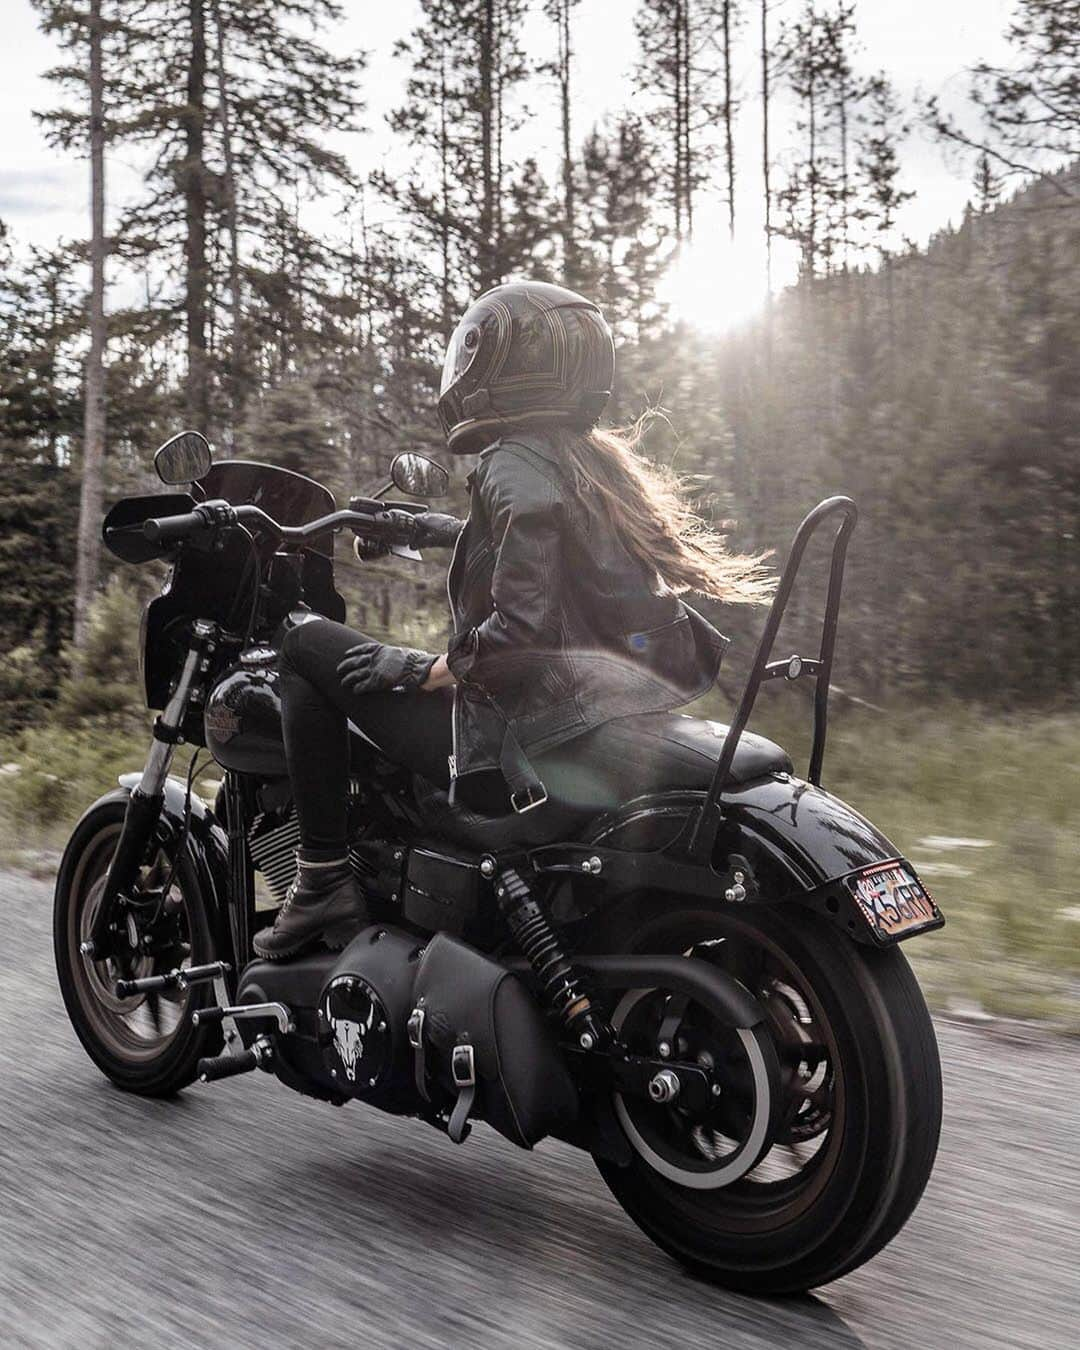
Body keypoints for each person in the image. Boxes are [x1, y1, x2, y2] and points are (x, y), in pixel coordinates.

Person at [253, 281, 771, 960]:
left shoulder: (511, 463)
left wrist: (422, 668)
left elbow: (519, 629)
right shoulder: (586, 461)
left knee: (302, 646)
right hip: (603, 703)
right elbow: (528, 538)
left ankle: (321, 876)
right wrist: (419, 526)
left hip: (525, 729)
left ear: (495, 365)